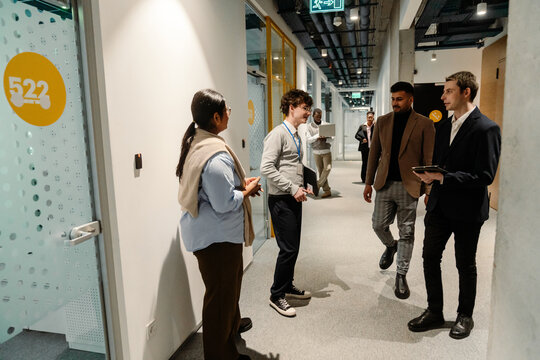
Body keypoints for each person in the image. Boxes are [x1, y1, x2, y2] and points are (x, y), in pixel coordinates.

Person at [408, 71, 501, 339]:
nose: (442, 96)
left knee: (465, 264)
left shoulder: (487, 128)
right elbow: (440, 163)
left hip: (468, 209)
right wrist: (430, 180)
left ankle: (465, 316)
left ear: (465, 92)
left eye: (448, 91)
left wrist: (443, 176)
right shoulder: (444, 126)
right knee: (429, 258)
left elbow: (485, 175)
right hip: (439, 204)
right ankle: (434, 311)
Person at [176, 89, 262, 360]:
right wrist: (245, 192)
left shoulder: (199, 142)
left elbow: (217, 190)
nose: (229, 114)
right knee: (220, 298)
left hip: (215, 236)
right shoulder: (215, 155)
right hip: (217, 239)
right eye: (226, 110)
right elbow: (224, 202)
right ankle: (221, 354)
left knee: (228, 288)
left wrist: (240, 186)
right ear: (215, 117)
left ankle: (232, 325)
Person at [363, 81, 435, 299]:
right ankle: (391, 245)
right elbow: (373, 153)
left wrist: (429, 189)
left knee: (407, 232)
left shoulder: (424, 124)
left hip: (410, 186)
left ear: (410, 99)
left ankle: (401, 275)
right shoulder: (383, 122)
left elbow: (428, 158)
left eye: (399, 99)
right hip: (384, 184)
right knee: (378, 224)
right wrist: (368, 182)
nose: (395, 103)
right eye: (393, 99)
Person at [261, 89, 314, 317]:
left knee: (294, 247)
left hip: (294, 197)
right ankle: (276, 295)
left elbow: (293, 165)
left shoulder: (296, 134)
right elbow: (266, 168)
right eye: (304, 108)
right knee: (288, 248)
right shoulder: (278, 134)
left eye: (309, 108)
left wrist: (305, 183)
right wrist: (293, 188)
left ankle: (287, 285)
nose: (308, 112)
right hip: (281, 199)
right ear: (291, 107)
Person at [307, 108, 333, 198]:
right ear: (313, 115)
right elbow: (308, 140)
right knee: (321, 171)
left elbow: (332, 139)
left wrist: (326, 138)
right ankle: (327, 190)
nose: (319, 117)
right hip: (316, 152)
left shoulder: (326, 125)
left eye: (320, 116)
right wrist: (317, 136)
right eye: (317, 116)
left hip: (326, 151)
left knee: (328, 168)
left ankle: (317, 185)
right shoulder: (309, 126)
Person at [355, 110, 375, 183]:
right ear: (366, 117)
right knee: (365, 163)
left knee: (372, 164)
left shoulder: (375, 126)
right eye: (368, 117)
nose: (370, 118)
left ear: (373, 118)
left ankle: (371, 178)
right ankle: (364, 178)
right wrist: (362, 139)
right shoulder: (362, 126)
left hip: (373, 148)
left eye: (371, 117)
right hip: (364, 148)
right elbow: (356, 135)